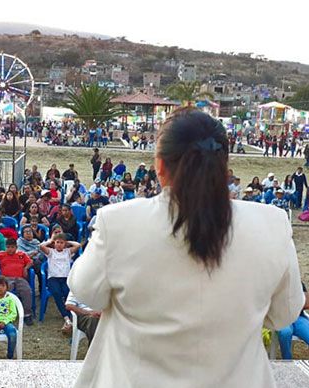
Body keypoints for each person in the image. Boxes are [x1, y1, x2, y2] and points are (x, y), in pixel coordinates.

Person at [67, 109, 304, 387]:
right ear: (223, 165)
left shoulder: (119, 221)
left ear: (160, 165)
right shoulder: (271, 223)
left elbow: (87, 293)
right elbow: (284, 314)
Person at [40, 233, 81, 333]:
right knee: (57, 293)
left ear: (65, 244)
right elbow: (41, 246)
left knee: (68, 293)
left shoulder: (68, 252)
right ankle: (66, 317)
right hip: (53, 278)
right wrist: (51, 241)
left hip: (65, 278)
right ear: (54, 243)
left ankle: (70, 318)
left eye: (62, 243)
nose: (59, 244)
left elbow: (78, 245)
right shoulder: (51, 252)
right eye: (57, 242)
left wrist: (68, 242)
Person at [0, 239, 34, 325]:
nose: (10, 249)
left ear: (16, 247)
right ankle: (4, 313)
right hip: (6, 278)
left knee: (27, 291)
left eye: (12, 247)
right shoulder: (1, 254)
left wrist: (26, 268)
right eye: (8, 247)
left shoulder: (22, 254)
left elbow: (30, 262)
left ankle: (27, 314)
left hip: (19, 278)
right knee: (5, 291)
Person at [277, 282, 309, 359]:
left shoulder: (299, 283)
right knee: (285, 332)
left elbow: (306, 302)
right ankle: (287, 361)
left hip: (298, 318)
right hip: (283, 318)